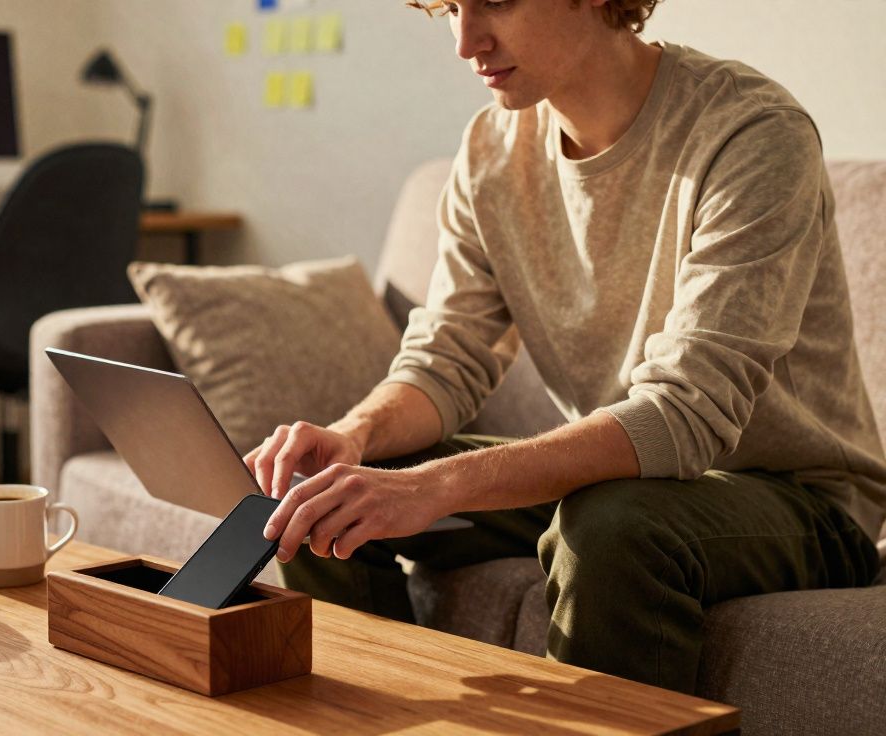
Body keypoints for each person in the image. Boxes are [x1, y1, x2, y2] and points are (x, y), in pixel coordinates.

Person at [245, 0, 885, 694]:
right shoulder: (491, 150)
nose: (465, 41)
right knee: (317, 497)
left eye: (494, 2)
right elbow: (446, 357)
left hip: (798, 502)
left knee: (611, 528)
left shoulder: (752, 135)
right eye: (451, 8)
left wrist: (432, 488)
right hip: (619, 480)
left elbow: (684, 415)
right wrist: (353, 435)